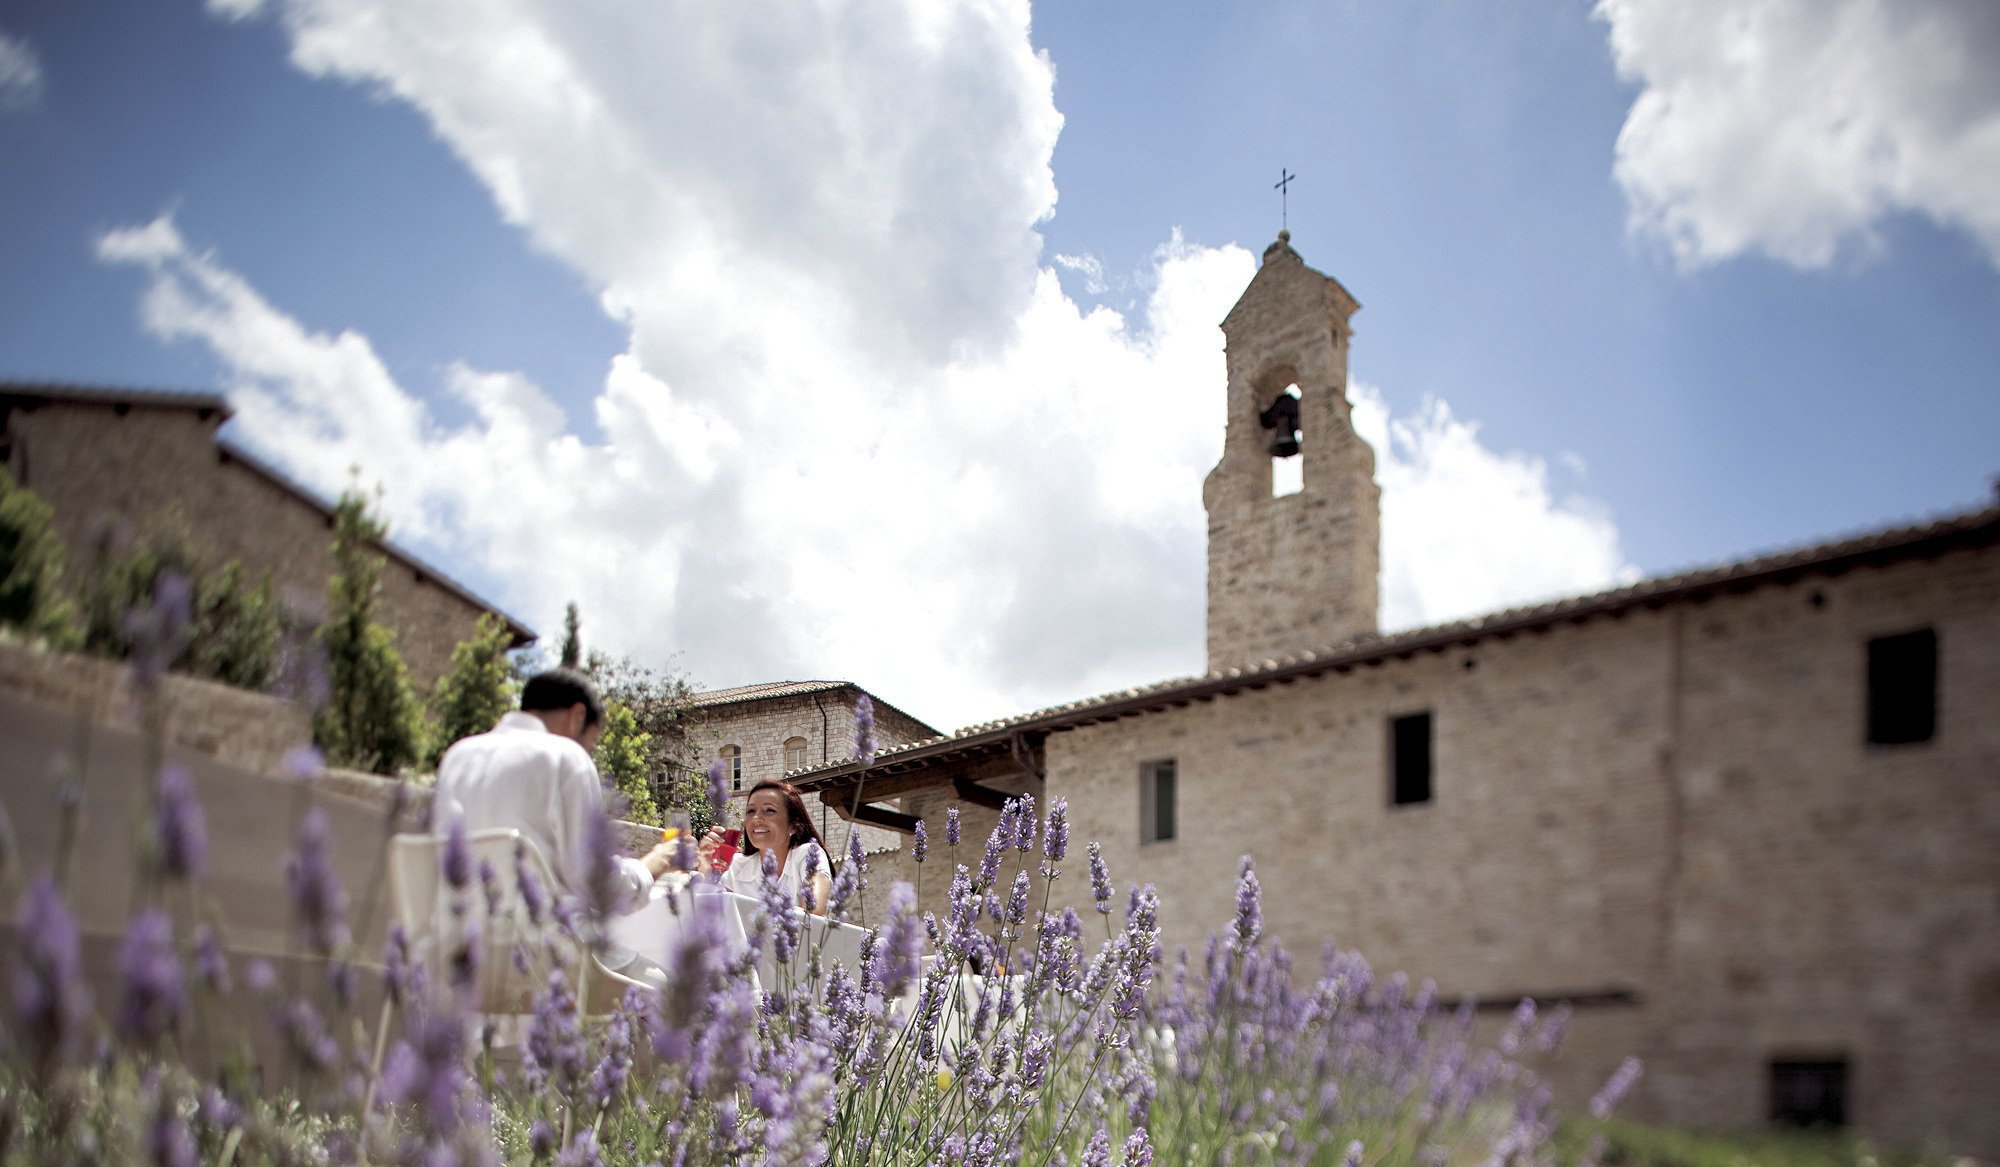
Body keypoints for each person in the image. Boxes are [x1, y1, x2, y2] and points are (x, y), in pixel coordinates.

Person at [434, 668, 680, 980]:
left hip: (459, 949)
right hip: (548, 957)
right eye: (591, 743)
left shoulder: (457, 756)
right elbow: (595, 881)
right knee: (676, 992)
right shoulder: (565, 755)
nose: (588, 751)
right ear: (577, 715)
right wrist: (652, 864)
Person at [698, 780, 833, 915]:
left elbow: (814, 913)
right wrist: (706, 869)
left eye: (769, 810)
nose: (756, 818)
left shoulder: (809, 854)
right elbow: (708, 918)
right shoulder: (737, 865)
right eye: (751, 811)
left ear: (794, 826)